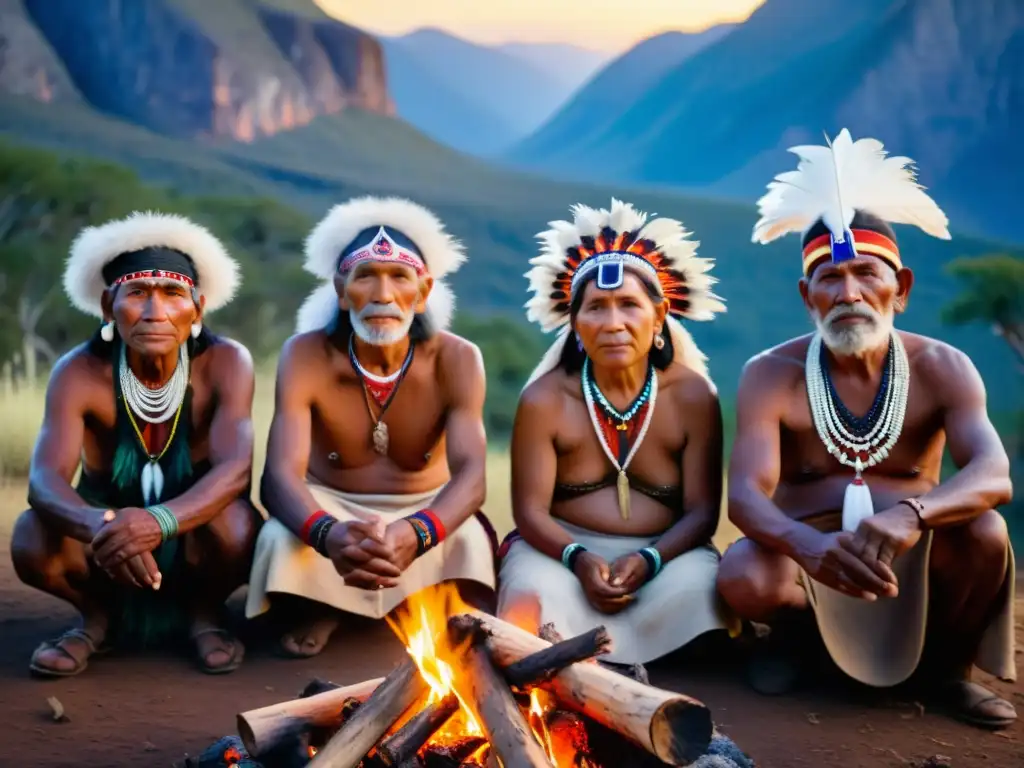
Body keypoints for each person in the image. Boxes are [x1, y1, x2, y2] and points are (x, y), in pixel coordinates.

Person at [718, 129, 1017, 728]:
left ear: (899, 290)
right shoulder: (770, 375)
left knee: (986, 533)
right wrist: (808, 546)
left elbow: (993, 473)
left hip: (911, 548)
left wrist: (911, 515)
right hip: (811, 558)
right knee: (744, 573)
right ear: (808, 295)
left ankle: (948, 672)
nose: (849, 292)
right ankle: (799, 652)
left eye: (866, 273)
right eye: (829, 277)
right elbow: (748, 496)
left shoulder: (943, 368)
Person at [10, 211, 261, 677]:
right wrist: (107, 527)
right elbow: (45, 481)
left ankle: (204, 616)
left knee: (239, 526)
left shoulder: (227, 362)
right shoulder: (78, 371)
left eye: (172, 294)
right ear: (109, 306)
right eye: (138, 294)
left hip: (195, 534)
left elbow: (236, 470)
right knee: (31, 535)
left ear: (198, 309)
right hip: (103, 540)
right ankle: (96, 620)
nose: (155, 312)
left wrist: (158, 521)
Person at [246, 196, 497, 657]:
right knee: (281, 538)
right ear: (342, 292)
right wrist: (328, 533)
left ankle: (361, 605)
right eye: (366, 277)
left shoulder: (458, 358)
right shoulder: (304, 355)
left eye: (399, 277)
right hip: (331, 502)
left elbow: (472, 477)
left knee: (466, 538)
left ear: (422, 293)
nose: (382, 295)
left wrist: (417, 531)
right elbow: (279, 475)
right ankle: (363, 605)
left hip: (425, 507)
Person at [496, 198, 735, 666]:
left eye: (629, 305)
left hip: (665, 558)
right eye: (596, 308)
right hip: (560, 555)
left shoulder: (692, 397)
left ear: (660, 314)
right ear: (574, 322)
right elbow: (528, 512)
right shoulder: (545, 400)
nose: (613, 324)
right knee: (529, 597)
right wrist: (579, 559)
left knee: (705, 593)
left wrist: (649, 561)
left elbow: (703, 513)